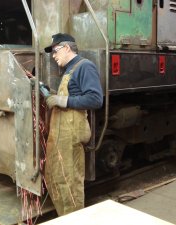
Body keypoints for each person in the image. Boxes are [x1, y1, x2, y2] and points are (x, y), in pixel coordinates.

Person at [44, 33, 103, 216]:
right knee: (56, 178)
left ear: (67, 48)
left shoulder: (84, 66)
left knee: (70, 183)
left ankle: (74, 220)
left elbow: (95, 99)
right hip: (61, 136)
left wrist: (63, 101)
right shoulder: (69, 70)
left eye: (55, 51)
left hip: (71, 135)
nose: (53, 56)